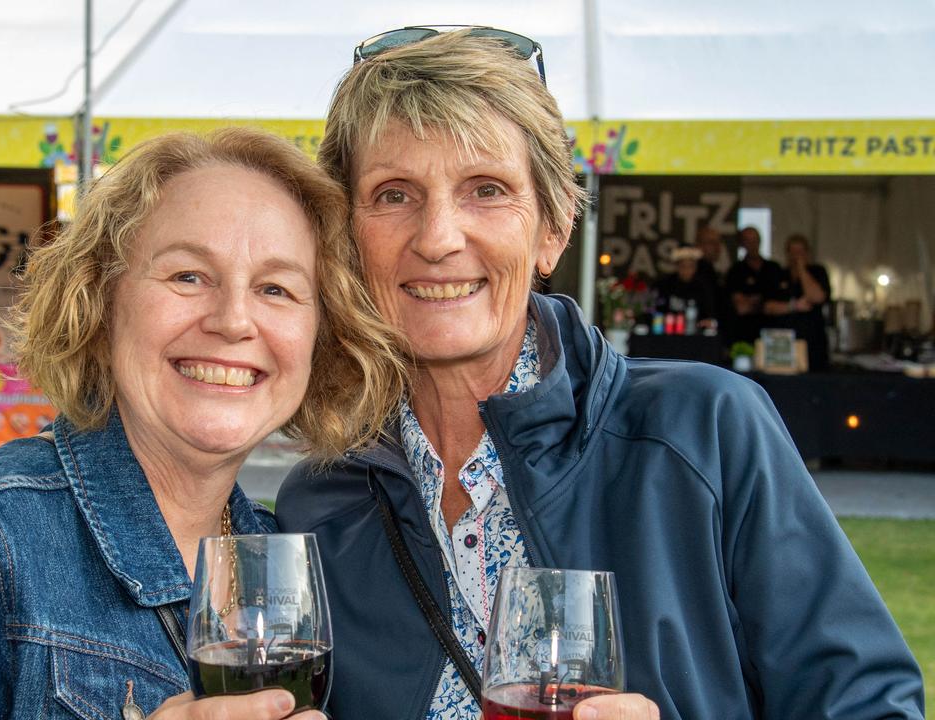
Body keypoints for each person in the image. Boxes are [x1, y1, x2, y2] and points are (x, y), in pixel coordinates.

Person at [277, 27, 924, 720]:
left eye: (486, 189)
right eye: (395, 194)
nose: (438, 237)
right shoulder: (320, 507)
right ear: (347, 237)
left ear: (551, 229)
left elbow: (871, 707)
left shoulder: (704, 432)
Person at [0, 128, 407, 719]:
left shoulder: (278, 554)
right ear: (98, 304)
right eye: (188, 275)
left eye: (277, 289)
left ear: (322, 337)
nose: (234, 320)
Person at [762, 233, 832, 371]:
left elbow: (817, 297)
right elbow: (767, 307)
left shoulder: (817, 271)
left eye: (800, 252)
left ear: (807, 253)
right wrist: (794, 306)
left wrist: (801, 269)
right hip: (782, 343)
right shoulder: (778, 274)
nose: (796, 256)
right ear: (787, 253)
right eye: (793, 252)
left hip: (812, 341)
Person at [724, 226, 782, 343]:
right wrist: (764, 304)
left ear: (760, 241)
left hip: (773, 331)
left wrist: (755, 302)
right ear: (742, 243)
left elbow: (779, 302)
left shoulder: (773, 268)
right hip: (744, 332)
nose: (752, 244)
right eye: (748, 240)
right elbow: (741, 307)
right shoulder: (736, 270)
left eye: (755, 240)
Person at [654, 245, 717, 329]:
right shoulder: (665, 285)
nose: (686, 270)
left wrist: (710, 322)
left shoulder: (703, 287)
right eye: (683, 266)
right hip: (669, 332)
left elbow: (709, 314)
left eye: (690, 266)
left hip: (695, 334)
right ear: (677, 266)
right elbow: (658, 311)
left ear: (695, 267)